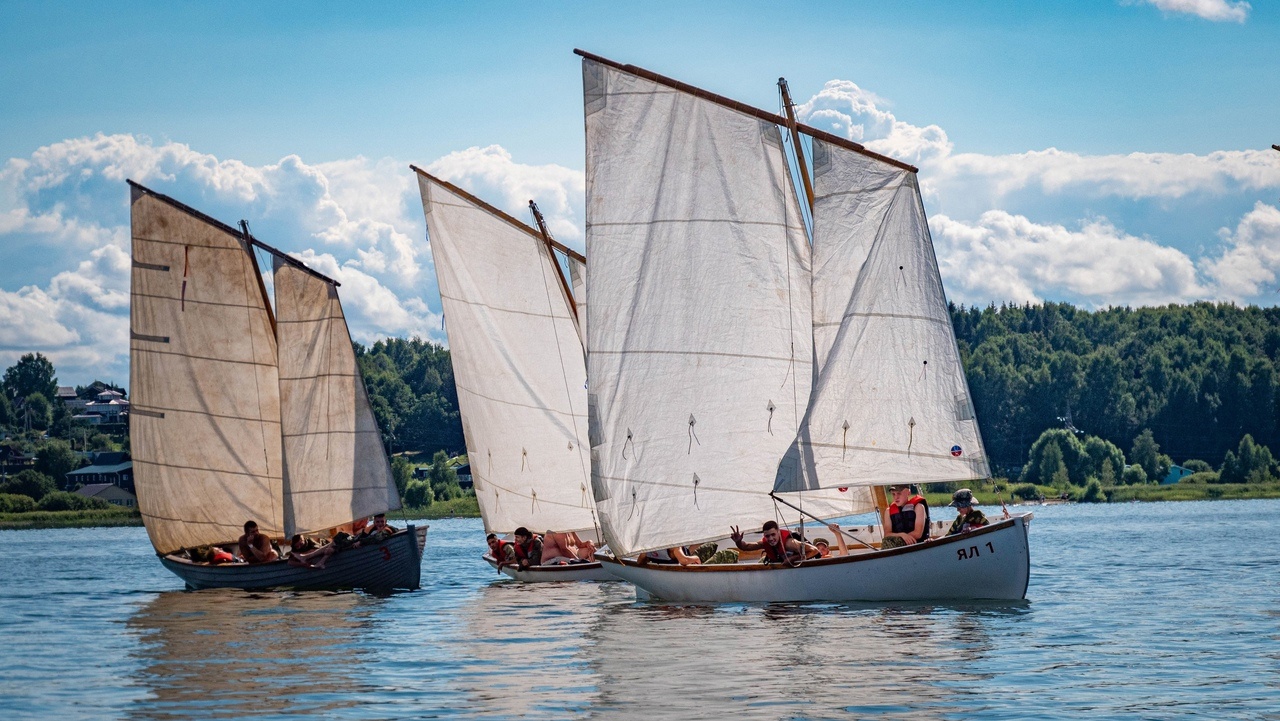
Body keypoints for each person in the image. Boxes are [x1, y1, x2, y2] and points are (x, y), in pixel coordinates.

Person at [730, 520, 816, 565]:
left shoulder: (790, 543)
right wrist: (738, 542)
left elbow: (814, 550)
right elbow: (746, 547)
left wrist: (793, 559)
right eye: (767, 536)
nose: (770, 538)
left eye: (773, 534)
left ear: (778, 532)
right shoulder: (764, 543)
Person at [880, 485, 930, 549]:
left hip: (918, 545)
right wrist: (902, 535)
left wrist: (903, 537)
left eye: (899, 493)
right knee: (886, 542)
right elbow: (887, 534)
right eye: (893, 494)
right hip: (897, 546)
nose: (896, 497)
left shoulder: (919, 507)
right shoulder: (888, 511)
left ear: (908, 493)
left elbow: (918, 533)